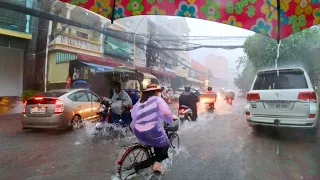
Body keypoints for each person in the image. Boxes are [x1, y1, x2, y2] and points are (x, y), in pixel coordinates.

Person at [130, 84, 177, 172]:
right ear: (156, 92)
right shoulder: (157, 99)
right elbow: (166, 113)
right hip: (151, 130)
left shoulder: (140, 101)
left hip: (137, 130)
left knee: (154, 141)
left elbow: (133, 114)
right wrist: (171, 118)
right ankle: (157, 164)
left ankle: (148, 162)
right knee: (165, 143)